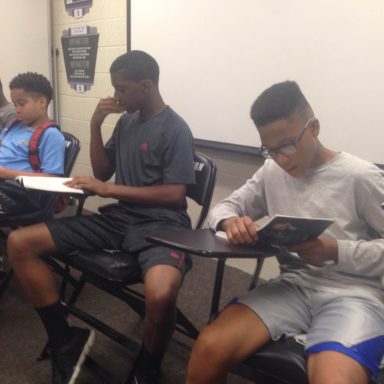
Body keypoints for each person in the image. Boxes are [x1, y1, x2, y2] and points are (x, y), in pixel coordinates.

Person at [8, 50, 196, 384]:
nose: (116, 96)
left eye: (122, 89)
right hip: (120, 218)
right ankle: (66, 342)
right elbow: (102, 170)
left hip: (163, 224)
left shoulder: (175, 128)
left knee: (161, 294)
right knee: (20, 242)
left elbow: (174, 195)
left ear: (147, 85)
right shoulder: (127, 121)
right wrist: (96, 125)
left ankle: (149, 367)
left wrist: (110, 190)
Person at [186, 81, 384, 384]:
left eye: (288, 146)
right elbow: (224, 207)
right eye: (270, 149)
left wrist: (334, 251)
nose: (281, 159)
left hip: (354, 295)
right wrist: (229, 223)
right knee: (208, 349)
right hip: (291, 288)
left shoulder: (360, 176)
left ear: (314, 127)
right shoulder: (272, 172)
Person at [0, 72, 65, 216]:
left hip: (20, 194)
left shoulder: (51, 135)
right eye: (15, 104)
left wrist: (5, 173)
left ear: (42, 102)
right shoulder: (15, 126)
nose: (17, 109)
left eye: (22, 104)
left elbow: (51, 180)